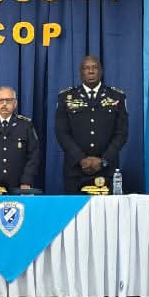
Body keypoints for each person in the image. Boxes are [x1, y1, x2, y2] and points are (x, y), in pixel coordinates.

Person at [55, 55, 128, 194]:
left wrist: (104, 160)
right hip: (75, 171)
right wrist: (81, 159)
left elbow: (121, 133)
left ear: (101, 71)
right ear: (80, 72)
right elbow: (62, 133)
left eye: (95, 68)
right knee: (75, 208)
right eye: (86, 68)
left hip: (107, 169)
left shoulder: (116, 97)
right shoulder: (65, 97)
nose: (91, 71)